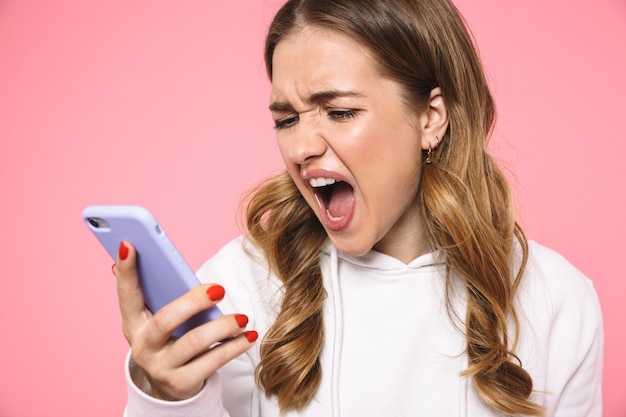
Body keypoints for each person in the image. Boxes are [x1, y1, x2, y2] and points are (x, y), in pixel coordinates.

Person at [113, 0, 603, 416]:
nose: (301, 147)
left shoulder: (557, 300)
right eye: (286, 119)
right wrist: (167, 395)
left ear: (431, 118)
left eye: (340, 111)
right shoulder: (241, 286)